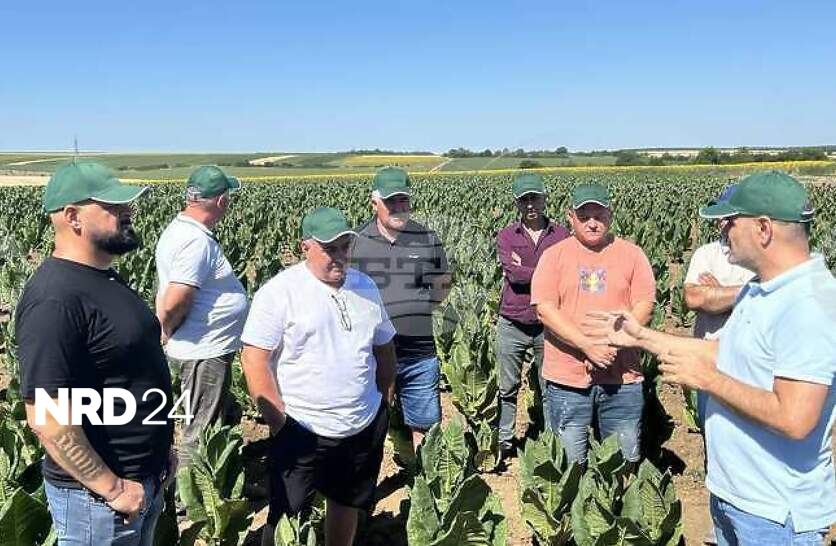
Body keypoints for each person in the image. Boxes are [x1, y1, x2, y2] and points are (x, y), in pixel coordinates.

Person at [587, 171, 835, 544]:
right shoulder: (760, 289)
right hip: (735, 494)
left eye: (731, 222)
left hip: (774, 512)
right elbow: (727, 353)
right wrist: (640, 336)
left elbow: (795, 418)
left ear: (763, 229)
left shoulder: (808, 304)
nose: (723, 230)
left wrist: (708, 380)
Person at [16, 161, 174, 546]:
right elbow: (48, 418)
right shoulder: (55, 299)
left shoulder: (102, 278)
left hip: (139, 484)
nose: (128, 211)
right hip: (98, 504)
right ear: (73, 217)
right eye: (113, 206)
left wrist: (158, 454)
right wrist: (113, 488)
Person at [240, 207, 398, 546]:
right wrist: (279, 422)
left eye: (344, 247)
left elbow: (384, 347)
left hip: (361, 425)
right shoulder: (280, 291)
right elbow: (254, 359)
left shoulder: (365, 286)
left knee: (347, 502)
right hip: (303, 427)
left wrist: (383, 404)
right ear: (305, 247)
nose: (339, 256)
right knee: (286, 517)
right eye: (329, 248)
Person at [530, 183, 656, 465]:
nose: (592, 223)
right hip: (567, 378)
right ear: (570, 217)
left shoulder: (632, 254)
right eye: (584, 216)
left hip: (622, 376)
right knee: (569, 463)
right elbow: (545, 310)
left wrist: (611, 345)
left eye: (599, 216)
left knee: (622, 461)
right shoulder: (554, 256)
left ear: (610, 215)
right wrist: (587, 346)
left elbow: (644, 306)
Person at [350, 167, 451, 449]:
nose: (398, 207)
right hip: (369, 353)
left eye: (403, 200)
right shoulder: (356, 241)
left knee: (426, 427)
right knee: (368, 424)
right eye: (390, 201)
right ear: (374, 203)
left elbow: (442, 283)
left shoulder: (427, 238)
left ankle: (424, 472)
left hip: (419, 351)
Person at [155, 165, 248, 467]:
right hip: (202, 351)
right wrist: (166, 328)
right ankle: (191, 487)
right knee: (199, 429)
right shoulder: (195, 241)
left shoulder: (180, 230)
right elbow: (176, 299)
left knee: (212, 418)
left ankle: (211, 475)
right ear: (221, 201)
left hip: (204, 348)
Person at [495, 172, 569, 460]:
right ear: (517, 203)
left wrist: (527, 270)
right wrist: (547, 272)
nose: (530, 205)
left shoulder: (561, 235)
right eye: (524, 200)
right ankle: (504, 442)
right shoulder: (506, 235)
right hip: (512, 321)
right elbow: (513, 275)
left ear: (544, 199)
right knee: (507, 387)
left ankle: (551, 443)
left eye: (534, 198)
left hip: (548, 324)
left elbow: (564, 276)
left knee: (550, 385)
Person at [684, 183, 754, 426]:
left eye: (728, 218)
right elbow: (694, 298)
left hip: (750, 366)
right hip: (710, 361)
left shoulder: (763, 258)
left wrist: (719, 292)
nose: (720, 223)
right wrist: (750, 292)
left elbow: (770, 303)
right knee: (711, 429)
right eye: (720, 218)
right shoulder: (706, 254)